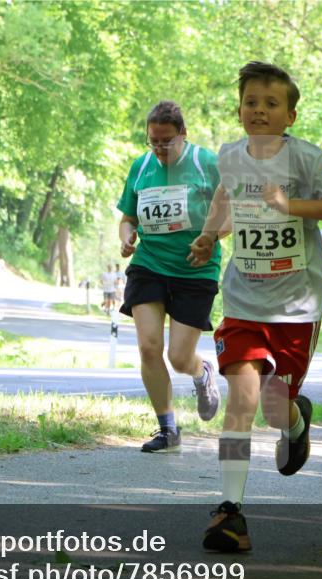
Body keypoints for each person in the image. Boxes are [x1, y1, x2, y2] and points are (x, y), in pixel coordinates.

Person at [188, 61, 322, 551]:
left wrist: (292, 207)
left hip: (296, 303)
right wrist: (207, 235)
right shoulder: (229, 156)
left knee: (271, 406)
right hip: (243, 297)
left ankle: (296, 422)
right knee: (242, 397)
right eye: (251, 102)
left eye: (271, 104)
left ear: (290, 115)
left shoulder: (304, 159)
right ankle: (230, 512)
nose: (259, 111)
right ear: (239, 109)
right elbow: (227, 198)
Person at [116, 100, 223, 453]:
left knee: (179, 358)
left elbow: (233, 211)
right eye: (154, 141)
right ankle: (167, 428)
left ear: (183, 135)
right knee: (149, 347)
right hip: (150, 264)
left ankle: (201, 372)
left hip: (195, 269)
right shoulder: (141, 165)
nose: (160, 149)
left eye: (167, 141)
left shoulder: (206, 163)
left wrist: (210, 239)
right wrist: (126, 236)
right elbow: (128, 216)